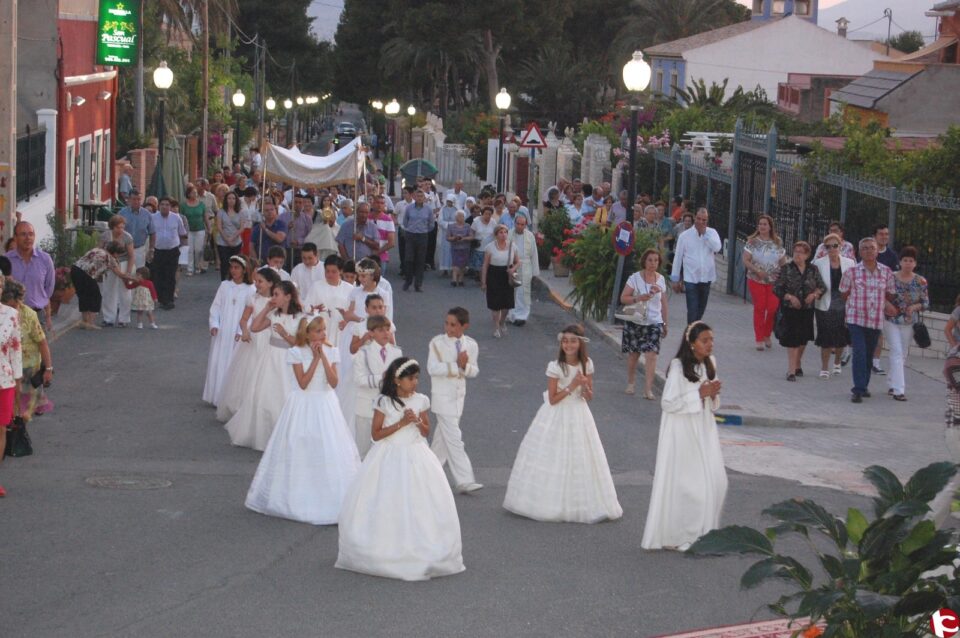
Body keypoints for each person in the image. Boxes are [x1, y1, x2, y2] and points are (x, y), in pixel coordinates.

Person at [335, 357, 465, 581]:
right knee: (387, 501)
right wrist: (401, 424)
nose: (415, 382)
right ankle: (382, 549)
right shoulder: (384, 402)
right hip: (389, 455)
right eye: (410, 378)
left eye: (416, 378)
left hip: (416, 454)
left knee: (420, 503)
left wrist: (417, 422)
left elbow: (425, 432)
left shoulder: (421, 400)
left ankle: (423, 547)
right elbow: (376, 434)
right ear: (397, 380)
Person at [245, 315, 361, 525]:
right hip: (303, 403)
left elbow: (334, 382)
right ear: (307, 334)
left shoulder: (331, 350)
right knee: (301, 445)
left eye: (324, 330)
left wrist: (324, 357)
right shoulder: (296, 352)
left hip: (325, 403)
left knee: (327, 446)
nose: (322, 334)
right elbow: (303, 383)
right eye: (317, 331)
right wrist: (315, 359)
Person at [503, 324, 622, 523]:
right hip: (557, 413)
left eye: (573, 341)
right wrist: (572, 386)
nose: (568, 344)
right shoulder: (556, 366)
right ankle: (546, 502)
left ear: (580, 343)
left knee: (580, 455)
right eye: (565, 341)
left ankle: (580, 503)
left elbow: (589, 396)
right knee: (553, 454)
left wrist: (584, 387)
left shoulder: (587, 364)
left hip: (579, 412)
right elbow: (552, 399)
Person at [641, 321, 726, 551]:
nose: (710, 345)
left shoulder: (711, 363)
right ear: (691, 344)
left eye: (712, 340)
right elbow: (668, 403)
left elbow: (712, 402)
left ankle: (702, 534)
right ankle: (678, 534)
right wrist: (698, 395)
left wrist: (712, 395)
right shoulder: (678, 367)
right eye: (704, 340)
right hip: (682, 432)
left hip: (703, 428)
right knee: (688, 485)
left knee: (716, 482)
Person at [224, 280, 304, 450]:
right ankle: (263, 433)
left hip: (288, 359)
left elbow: (299, 342)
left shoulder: (299, 317)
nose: (273, 297)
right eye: (273, 294)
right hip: (270, 357)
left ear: (288, 297)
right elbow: (255, 327)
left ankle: (284, 435)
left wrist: (285, 334)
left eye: (277, 295)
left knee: (283, 393)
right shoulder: (274, 314)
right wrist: (267, 309)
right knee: (264, 393)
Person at [428, 307, 482, 494]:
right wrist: (455, 365)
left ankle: (426, 473)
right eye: (446, 323)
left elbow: (474, 371)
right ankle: (465, 480)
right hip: (442, 398)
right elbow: (432, 368)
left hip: (459, 398)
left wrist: (465, 366)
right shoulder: (437, 343)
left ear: (464, 326)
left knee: (441, 442)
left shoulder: (472, 345)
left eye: (453, 324)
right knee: (454, 439)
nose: (448, 328)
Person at [216, 267, 280, 423]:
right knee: (249, 372)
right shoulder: (253, 298)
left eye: (260, 281)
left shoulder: (277, 300)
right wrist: (244, 331)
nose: (257, 284)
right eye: (256, 281)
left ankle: (263, 406)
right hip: (254, 338)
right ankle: (243, 406)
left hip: (270, 339)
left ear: (270, 283)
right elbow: (244, 319)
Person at [840, 237, 893, 403]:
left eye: (872, 248)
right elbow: (844, 293)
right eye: (865, 248)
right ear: (859, 252)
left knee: (869, 355)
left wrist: (885, 304)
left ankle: (864, 385)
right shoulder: (852, 272)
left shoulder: (886, 271)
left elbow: (890, 292)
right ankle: (858, 389)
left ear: (877, 251)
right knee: (859, 352)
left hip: (875, 319)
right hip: (856, 318)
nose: (869, 251)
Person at [202, 256, 255, 406]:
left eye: (237, 268)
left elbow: (250, 312)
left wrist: (241, 330)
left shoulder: (250, 289)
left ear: (245, 270)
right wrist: (214, 324)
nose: (233, 271)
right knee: (219, 360)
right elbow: (216, 306)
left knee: (233, 362)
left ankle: (230, 399)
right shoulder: (224, 286)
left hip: (237, 332)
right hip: (223, 330)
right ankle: (217, 396)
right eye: (231, 267)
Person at [620, 249, 669, 399]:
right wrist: (638, 298)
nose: (653, 263)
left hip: (654, 322)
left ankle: (648, 389)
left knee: (651, 355)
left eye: (656, 260)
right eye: (650, 260)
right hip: (637, 320)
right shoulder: (635, 278)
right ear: (644, 261)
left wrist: (665, 323)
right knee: (634, 354)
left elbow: (664, 303)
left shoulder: (660, 280)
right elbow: (623, 298)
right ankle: (631, 382)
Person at [774, 241, 825, 381]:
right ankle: (791, 371)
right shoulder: (786, 268)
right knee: (792, 339)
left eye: (801, 252)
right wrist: (790, 297)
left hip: (807, 309)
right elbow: (777, 288)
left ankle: (797, 362)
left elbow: (822, 287)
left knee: (803, 338)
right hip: (790, 309)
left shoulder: (813, 270)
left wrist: (813, 295)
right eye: (795, 251)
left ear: (807, 255)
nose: (797, 254)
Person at [2, 279, 53, 420]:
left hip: (28, 371)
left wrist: (48, 368)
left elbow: (42, 342)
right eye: (8, 306)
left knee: (21, 415)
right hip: (6, 371)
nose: (12, 310)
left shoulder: (29, 315)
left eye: (15, 305)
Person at [883, 246, 929, 401]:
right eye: (905, 260)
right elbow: (883, 295)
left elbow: (926, 302)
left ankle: (891, 381)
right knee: (896, 351)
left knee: (902, 353)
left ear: (915, 263)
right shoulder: (891, 277)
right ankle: (899, 390)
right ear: (900, 262)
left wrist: (915, 307)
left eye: (911, 260)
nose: (908, 263)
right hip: (891, 320)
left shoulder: (920, 281)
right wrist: (887, 305)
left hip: (909, 322)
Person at [353, 314, 402, 458]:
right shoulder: (363, 352)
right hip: (366, 406)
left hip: (388, 407)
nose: (386, 333)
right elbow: (358, 379)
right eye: (380, 330)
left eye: (387, 329)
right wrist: (382, 378)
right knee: (363, 449)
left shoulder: (397, 352)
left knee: (383, 449)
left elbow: (400, 379)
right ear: (371, 333)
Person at [812, 233, 855, 378]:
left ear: (840, 246)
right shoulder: (818, 263)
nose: (832, 249)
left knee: (840, 335)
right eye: (828, 246)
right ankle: (824, 367)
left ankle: (837, 362)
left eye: (835, 246)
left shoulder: (849, 263)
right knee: (825, 336)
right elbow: (814, 283)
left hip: (843, 303)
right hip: (824, 303)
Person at [670, 208, 722, 325]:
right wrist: (675, 279)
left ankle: (693, 332)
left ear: (707, 221)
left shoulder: (712, 233)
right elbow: (678, 258)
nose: (701, 222)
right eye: (698, 219)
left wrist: (705, 235)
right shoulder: (685, 236)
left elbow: (717, 248)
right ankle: (690, 336)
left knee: (700, 310)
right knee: (692, 310)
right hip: (690, 278)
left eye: (704, 220)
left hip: (706, 278)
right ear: (695, 218)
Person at [742, 215, 786, 350]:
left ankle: (767, 333)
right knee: (760, 307)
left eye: (765, 224)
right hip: (756, 279)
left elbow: (783, 262)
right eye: (760, 224)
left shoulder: (777, 242)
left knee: (772, 308)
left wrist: (784, 277)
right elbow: (746, 260)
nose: (762, 226)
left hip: (773, 281)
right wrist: (756, 270)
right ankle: (759, 338)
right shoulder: (752, 242)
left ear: (770, 227)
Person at [71, 242, 137, 330]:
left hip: (75, 269)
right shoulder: (110, 258)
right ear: (115, 253)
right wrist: (134, 279)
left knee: (83, 296)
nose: (118, 257)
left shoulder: (97, 249)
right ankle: (90, 322)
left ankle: (84, 321)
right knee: (96, 297)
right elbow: (120, 274)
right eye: (118, 254)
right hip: (87, 273)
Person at [5, 221, 55, 330]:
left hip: (37, 316)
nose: (28, 238)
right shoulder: (6, 260)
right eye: (23, 234)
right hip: (12, 316)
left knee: (41, 346)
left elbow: (49, 289)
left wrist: (47, 316)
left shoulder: (45, 259)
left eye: (31, 234)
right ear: (15, 237)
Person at [0, 273, 23, 498]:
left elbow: (16, 349)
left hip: (3, 380)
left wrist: (18, 382)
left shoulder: (11, 314)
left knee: (0, 430)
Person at [481, 224, 520, 338]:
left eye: (505, 232)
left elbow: (518, 261)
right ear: (496, 234)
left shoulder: (513, 246)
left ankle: (502, 321)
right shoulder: (490, 247)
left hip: (507, 275)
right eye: (501, 232)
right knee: (495, 304)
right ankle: (496, 327)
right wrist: (483, 282)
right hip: (494, 275)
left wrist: (513, 269)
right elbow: (485, 265)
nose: (503, 235)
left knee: (507, 304)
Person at [98, 215, 136, 327]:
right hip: (109, 263)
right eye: (118, 227)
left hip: (124, 262)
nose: (120, 230)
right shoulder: (105, 236)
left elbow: (131, 255)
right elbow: (99, 251)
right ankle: (109, 318)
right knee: (108, 290)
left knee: (125, 291)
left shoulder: (127, 237)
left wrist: (128, 271)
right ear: (112, 227)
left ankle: (124, 318)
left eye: (122, 227)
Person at [151, 197, 188, 310]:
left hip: (172, 250)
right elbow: (150, 233)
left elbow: (182, 233)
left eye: (167, 205)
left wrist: (185, 248)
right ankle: (161, 299)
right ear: (159, 206)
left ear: (170, 207)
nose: (164, 207)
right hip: (158, 250)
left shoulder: (176, 218)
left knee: (170, 275)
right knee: (159, 275)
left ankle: (169, 300)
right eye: (162, 204)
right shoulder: (153, 218)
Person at [506, 213, 540, 327]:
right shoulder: (508, 234)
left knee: (523, 291)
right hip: (511, 265)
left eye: (522, 224)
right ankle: (511, 315)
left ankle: (522, 316)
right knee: (512, 291)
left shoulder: (530, 236)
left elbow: (534, 254)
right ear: (514, 223)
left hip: (526, 266)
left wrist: (535, 272)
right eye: (518, 224)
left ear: (525, 225)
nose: (520, 226)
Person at [400, 190, 434, 292]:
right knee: (408, 259)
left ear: (424, 198)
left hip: (423, 236)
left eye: (421, 196)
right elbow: (405, 221)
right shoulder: (409, 208)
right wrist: (410, 229)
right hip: (410, 235)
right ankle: (408, 281)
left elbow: (431, 224)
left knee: (420, 260)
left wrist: (424, 230)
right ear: (414, 197)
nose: (419, 198)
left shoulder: (428, 209)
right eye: (417, 196)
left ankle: (418, 284)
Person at [118, 190, 155, 268]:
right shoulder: (122, 213)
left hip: (139, 249)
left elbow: (152, 232)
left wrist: (151, 249)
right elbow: (116, 230)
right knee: (124, 271)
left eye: (138, 199)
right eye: (134, 199)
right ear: (129, 200)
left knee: (139, 273)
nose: (136, 202)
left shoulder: (147, 214)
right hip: (124, 250)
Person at [215, 191, 244, 280]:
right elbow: (219, 227)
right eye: (229, 198)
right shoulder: (221, 212)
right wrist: (227, 239)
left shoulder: (240, 212)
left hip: (236, 241)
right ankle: (224, 282)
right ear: (226, 200)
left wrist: (233, 238)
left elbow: (242, 228)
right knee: (224, 264)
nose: (231, 200)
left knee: (235, 264)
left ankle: (235, 281)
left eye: (233, 198)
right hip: (223, 242)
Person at [251, 197, 288, 264]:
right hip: (261, 262)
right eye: (267, 210)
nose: (270, 212)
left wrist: (265, 229)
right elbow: (251, 246)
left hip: (278, 262)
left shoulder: (281, 224)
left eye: (272, 209)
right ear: (263, 213)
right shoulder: (257, 227)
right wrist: (256, 261)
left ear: (275, 211)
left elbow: (279, 239)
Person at [181, 185, 208, 275]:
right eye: (193, 192)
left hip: (200, 229)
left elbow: (205, 217)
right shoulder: (183, 205)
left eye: (196, 193)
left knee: (199, 249)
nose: (195, 194)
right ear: (188, 194)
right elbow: (181, 218)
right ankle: (190, 269)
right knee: (189, 250)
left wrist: (209, 228)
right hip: (188, 231)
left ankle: (197, 266)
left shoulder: (201, 205)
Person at [447, 210, 473, 287]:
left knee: (463, 264)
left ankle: (461, 279)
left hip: (465, 247)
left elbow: (471, 236)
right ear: (455, 217)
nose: (460, 218)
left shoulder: (467, 226)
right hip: (455, 247)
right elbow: (447, 237)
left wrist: (464, 238)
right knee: (455, 263)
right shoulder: (451, 226)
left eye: (462, 216)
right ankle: (454, 279)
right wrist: (454, 238)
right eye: (458, 216)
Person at [469, 205, 497, 275]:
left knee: (488, 265)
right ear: (482, 213)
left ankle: (485, 279)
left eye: (489, 214)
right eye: (486, 214)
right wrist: (472, 239)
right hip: (479, 247)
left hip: (489, 248)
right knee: (479, 266)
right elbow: (472, 232)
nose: (488, 216)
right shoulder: (476, 221)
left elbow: (496, 233)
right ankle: (481, 278)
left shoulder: (493, 222)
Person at [437, 193, 459, 276]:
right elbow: (440, 220)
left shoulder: (456, 210)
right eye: (448, 201)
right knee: (444, 251)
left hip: (454, 233)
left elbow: (458, 220)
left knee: (452, 251)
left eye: (450, 201)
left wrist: (452, 225)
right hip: (444, 233)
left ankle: (453, 269)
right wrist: (448, 225)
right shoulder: (443, 209)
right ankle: (444, 269)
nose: (449, 203)